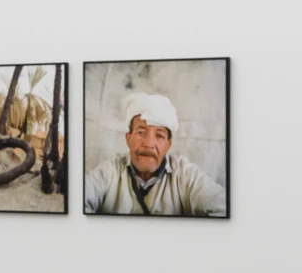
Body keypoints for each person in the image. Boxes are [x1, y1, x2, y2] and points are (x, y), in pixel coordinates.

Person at [81, 90, 226, 216]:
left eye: (159, 136)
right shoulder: (108, 173)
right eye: (141, 132)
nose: (149, 144)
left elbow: (224, 208)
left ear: (168, 145)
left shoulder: (186, 176)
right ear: (128, 138)